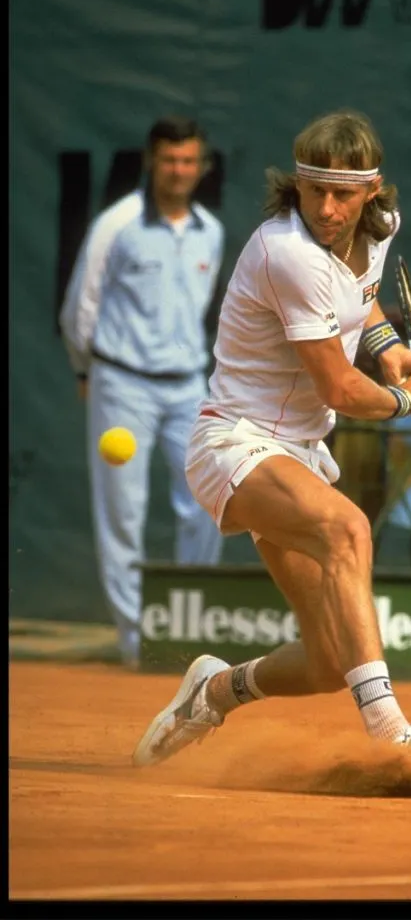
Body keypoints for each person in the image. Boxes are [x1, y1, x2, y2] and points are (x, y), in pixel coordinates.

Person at [132, 109, 411, 795]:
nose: (325, 207)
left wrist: (390, 351)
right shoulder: (285, 251)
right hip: (234, 440)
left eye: (342, 194)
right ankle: (393, 733)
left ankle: (215, 691)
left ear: (372, 192)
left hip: (298, 453)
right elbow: (340, 390)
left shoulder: (377, 236)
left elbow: (363, 303)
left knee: (328, 661)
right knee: (347, 526)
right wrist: (408, 401)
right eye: (311, 189)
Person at [59, 115, 225, 668]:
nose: (180, 170)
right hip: (120, 382)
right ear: (152, 162)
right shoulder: (117, 224)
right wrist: (89, 372)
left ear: (200, 167)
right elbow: (80, 308)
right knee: (122, 512)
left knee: (209, 500)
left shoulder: (211, 230)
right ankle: (139, 644)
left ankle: (191, 628)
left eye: (189, 161)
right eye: (170, 159)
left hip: (187, 387)